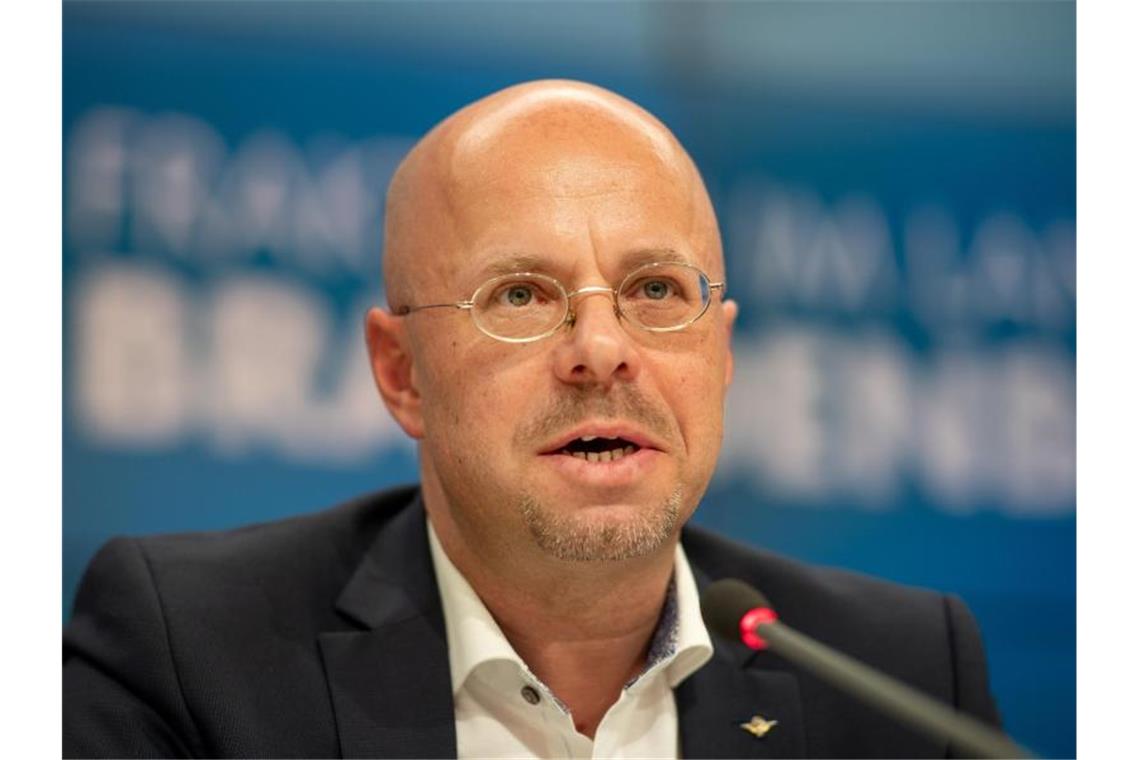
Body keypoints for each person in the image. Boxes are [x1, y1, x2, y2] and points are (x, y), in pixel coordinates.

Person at [64, 80, 1000, 758]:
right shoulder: (189, 654)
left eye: (656, 290)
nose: (601, 348)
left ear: (721, 355)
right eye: (519, 294)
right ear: (403, 375)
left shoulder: (902, 680)